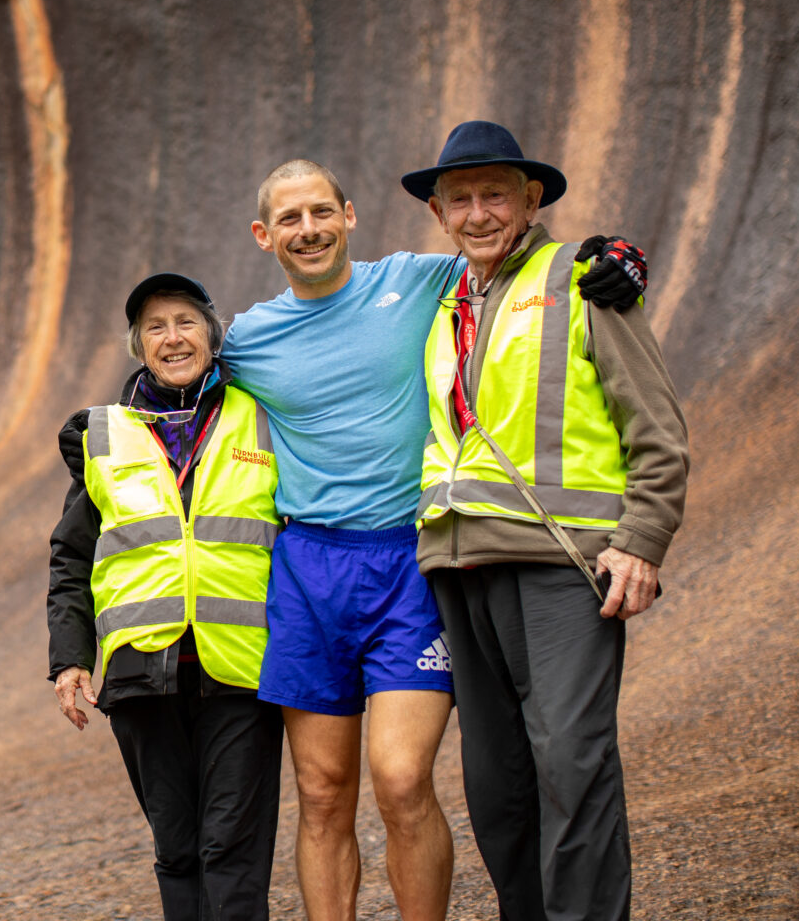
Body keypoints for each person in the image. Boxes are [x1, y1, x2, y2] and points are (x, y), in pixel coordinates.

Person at [219, 158, 648, 921]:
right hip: (309, 567)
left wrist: (617, 257)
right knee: (320, 792)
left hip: (407, 564)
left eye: (321, 212)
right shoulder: (248, 340)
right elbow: (173, 377)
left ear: (349, 215)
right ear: (263, 235)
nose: (308, 230)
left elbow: (514, 258)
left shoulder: (422, 281)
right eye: (289, 219)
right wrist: (104, 422)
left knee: (401, 778)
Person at [403, 121, 687, 921]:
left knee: (571, 763)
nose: (479, 213)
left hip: (564, 565)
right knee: (498, 787)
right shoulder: (443, 301)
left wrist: (642, 540)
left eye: (497, 194)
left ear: (531, 200)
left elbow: (657, 427)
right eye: (460, 198)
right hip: (460, 567)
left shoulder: (585, 278)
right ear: (437, 212)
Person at [47, 272, 284, 921]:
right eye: (155, 326)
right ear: (138, 345)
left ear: (213, 334)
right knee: (177, 849)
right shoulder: (103, 436)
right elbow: (72, 556)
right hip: (140, 677)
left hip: (242, 669)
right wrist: (70, 659)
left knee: (233, 848)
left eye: (185, 322)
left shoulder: (264, 416)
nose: (172, 337)